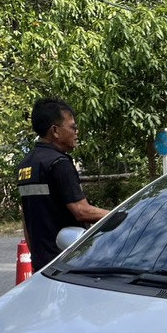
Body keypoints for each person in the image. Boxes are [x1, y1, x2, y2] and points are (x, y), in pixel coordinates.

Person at [18, 98, 109, 271]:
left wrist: (37, 257)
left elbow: (26, 217)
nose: (77, 132)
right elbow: (81, 211)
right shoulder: (58, 163)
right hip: (67, 261)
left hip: (43, 263)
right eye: (73, 127)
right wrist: (123, 215)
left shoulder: (26, 164)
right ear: (55, 131)